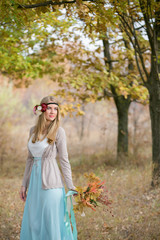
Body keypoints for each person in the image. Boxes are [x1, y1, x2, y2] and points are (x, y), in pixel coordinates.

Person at [19, 96, 77, 240]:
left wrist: (70, 186)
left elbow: (64, 160)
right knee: (34, 223)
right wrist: (23, 185)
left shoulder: (59, 131)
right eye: (50, 108)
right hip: (34, 185)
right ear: (42, 109)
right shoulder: (33, 131)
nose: (53, 112)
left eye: (56, 109)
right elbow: (29, 159)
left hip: (51, 184)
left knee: (51, 223)